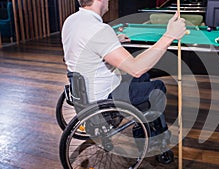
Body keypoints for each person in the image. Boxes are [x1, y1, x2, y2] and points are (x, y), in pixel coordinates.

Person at [61, 0, 186, 162]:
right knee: (157, 87)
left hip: (82, 92)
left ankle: (144, 122)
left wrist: (113, 42)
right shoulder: (99, 29)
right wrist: (170, 35)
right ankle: (155, 142)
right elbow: (136, 68)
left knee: (143, 78)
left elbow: (81, 48)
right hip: (104, 99)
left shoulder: (71, 21)